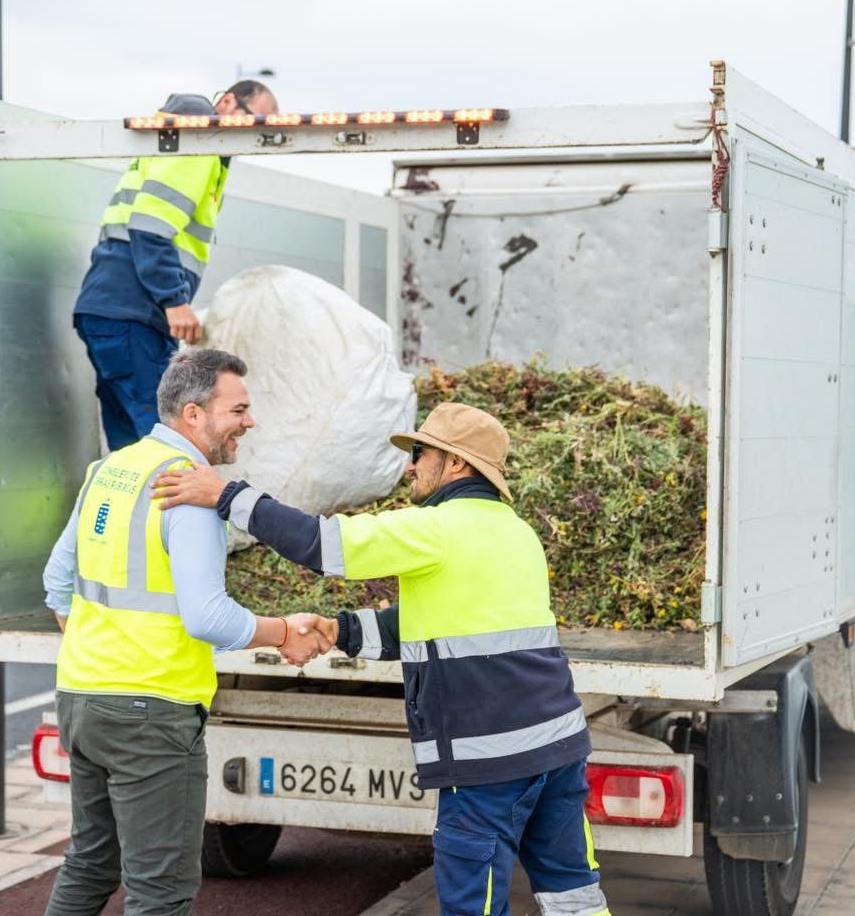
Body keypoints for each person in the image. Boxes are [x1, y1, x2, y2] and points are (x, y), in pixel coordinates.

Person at [152, 402, 610, 916]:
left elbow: (323, 544)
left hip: (487, 763)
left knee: (472, 905)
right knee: (573, 891)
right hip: (558, 751)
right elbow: (429, 625)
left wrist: (228, 496)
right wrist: (338, 630)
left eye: (420, 453)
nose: (410, 466)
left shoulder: (436, 527)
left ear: (456, 464)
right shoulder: (516, 532)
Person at [42, 348, 328, 916]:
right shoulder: (188, 491)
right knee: (160, 891)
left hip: (82, 697)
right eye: (239, 409)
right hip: (151, 713)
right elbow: (207, 617)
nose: (249, 422)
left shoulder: (110, 470)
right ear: (194, 414)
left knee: (90, 863)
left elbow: (57, 581)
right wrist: (284, 632)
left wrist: (105, 651)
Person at [73, 80, 280, 451]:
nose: (254, 134)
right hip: (132, 314)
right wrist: (174, 301)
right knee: (168, 436)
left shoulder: (179, 141)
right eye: (253, 120)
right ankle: (169, 510)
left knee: (130, 441)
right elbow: (150, 229)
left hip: (112, 311)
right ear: (228, 101)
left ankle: (131, 509)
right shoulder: (195, 141)